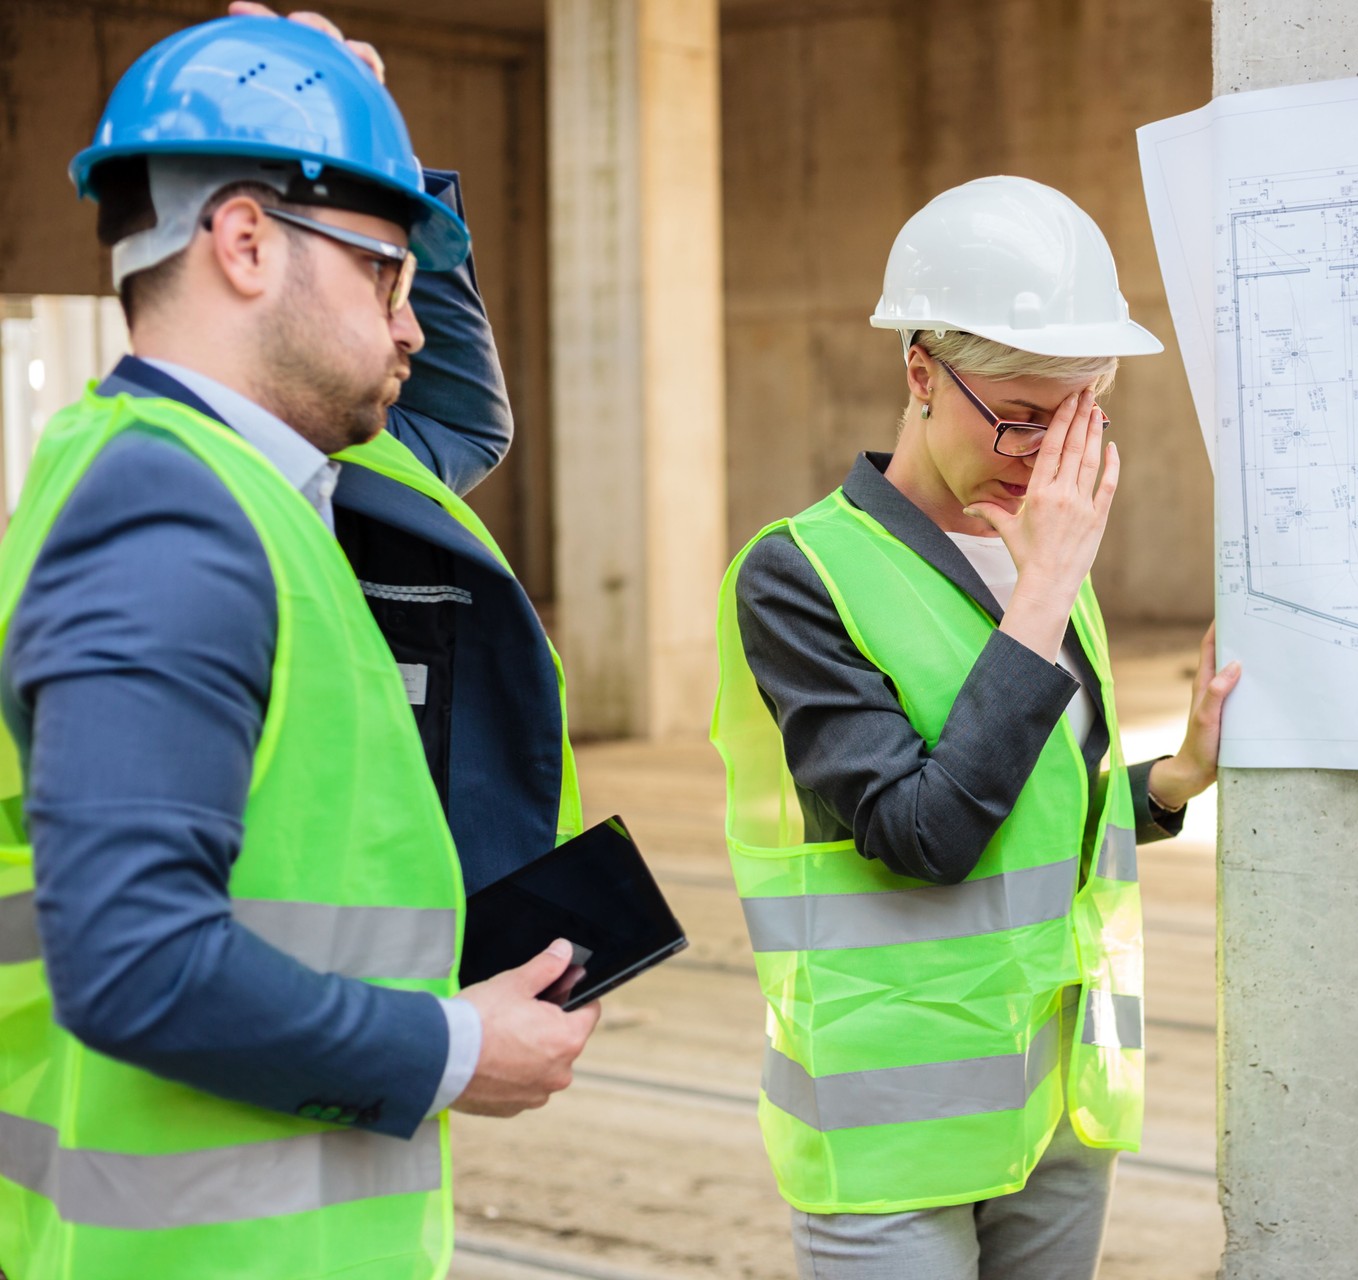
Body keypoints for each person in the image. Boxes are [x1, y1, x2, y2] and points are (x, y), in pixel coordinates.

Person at [0, 12, 596, 1277]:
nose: (414, 322)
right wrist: (451, 1047)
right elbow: (137, 960)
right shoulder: (168, 516)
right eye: (388, 270)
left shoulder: (267, 491)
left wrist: (369, 145)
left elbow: (449, 414)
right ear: (248, 241)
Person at [710, 175, 1239, 1280]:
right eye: (1019, 415)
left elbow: (1036, 811)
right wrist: (1042, 591)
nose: (1045, 456)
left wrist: (1175, 777)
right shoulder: (799, 575)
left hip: (1056, 1105)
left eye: (1079, 414)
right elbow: (926, 831)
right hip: (893, 1133)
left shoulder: (1044, 553)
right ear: (918, 370)